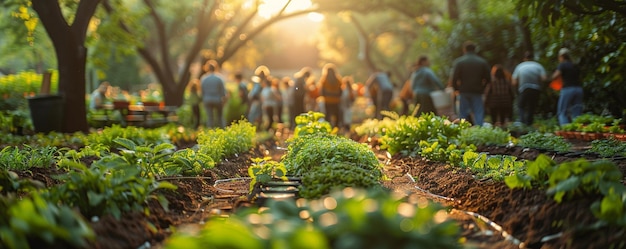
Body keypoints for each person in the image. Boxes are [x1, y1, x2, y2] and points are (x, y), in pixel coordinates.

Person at [449, 41, 491, 126]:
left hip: (464, 91)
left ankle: (463, 132)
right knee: (478, 113)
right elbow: (488, 78)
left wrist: (457, 89)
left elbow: (454, 78)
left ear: (464, 50)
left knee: (463, 114)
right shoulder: (482, 62)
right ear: (475, 50)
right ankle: (479, 132)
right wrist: (482, 88)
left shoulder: (460, 62)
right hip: (477, 91)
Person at [512, 51, 547, 126]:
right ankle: (529, 123)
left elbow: (514, 82)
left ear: (524, 58)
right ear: (533, 58)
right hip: (536, 89)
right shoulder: (538, 66)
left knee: (521, 105)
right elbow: (544, 78)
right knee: (532, 106)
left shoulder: (520, 66)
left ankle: (522, 121)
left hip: (524, 89)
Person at [553, 48, 583, 126]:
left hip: (568, 89)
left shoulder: (563, 65)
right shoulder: (575, 65)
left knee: (562, 112)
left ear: (561, 56)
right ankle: (578, 131)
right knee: (577, 112)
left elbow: (555, 76)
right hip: (578, 89)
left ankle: (565, 131)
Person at [200, 60, 226, 128]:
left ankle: (210, 132)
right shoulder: (219, 78)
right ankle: (222, 131)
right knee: (220, 117)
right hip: (217, 99)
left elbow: (202, 91)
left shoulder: (204, 78)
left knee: (210, 118)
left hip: (207, 99)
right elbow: (223, 91)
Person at [318, 63, 343, 127]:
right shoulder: (338, 80)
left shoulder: (324, 80)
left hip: (327, 100)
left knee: (328, 114)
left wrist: (328, 94)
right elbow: (341, 92)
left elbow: (321, 92)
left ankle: (328, 127)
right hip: (336, 101)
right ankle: (336, 127)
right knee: (336, 115)